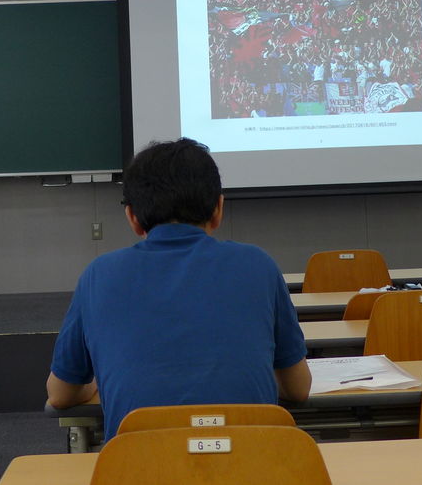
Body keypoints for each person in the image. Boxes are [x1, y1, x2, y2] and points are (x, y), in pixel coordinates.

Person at [46, 138, 311, 437]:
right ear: (218, 208)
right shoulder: (258, 265)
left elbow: (59, 395)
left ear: (132, 217)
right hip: (251, 457)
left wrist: (95, 386)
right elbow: (298, 388)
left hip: (138, 460)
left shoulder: (98, 275)